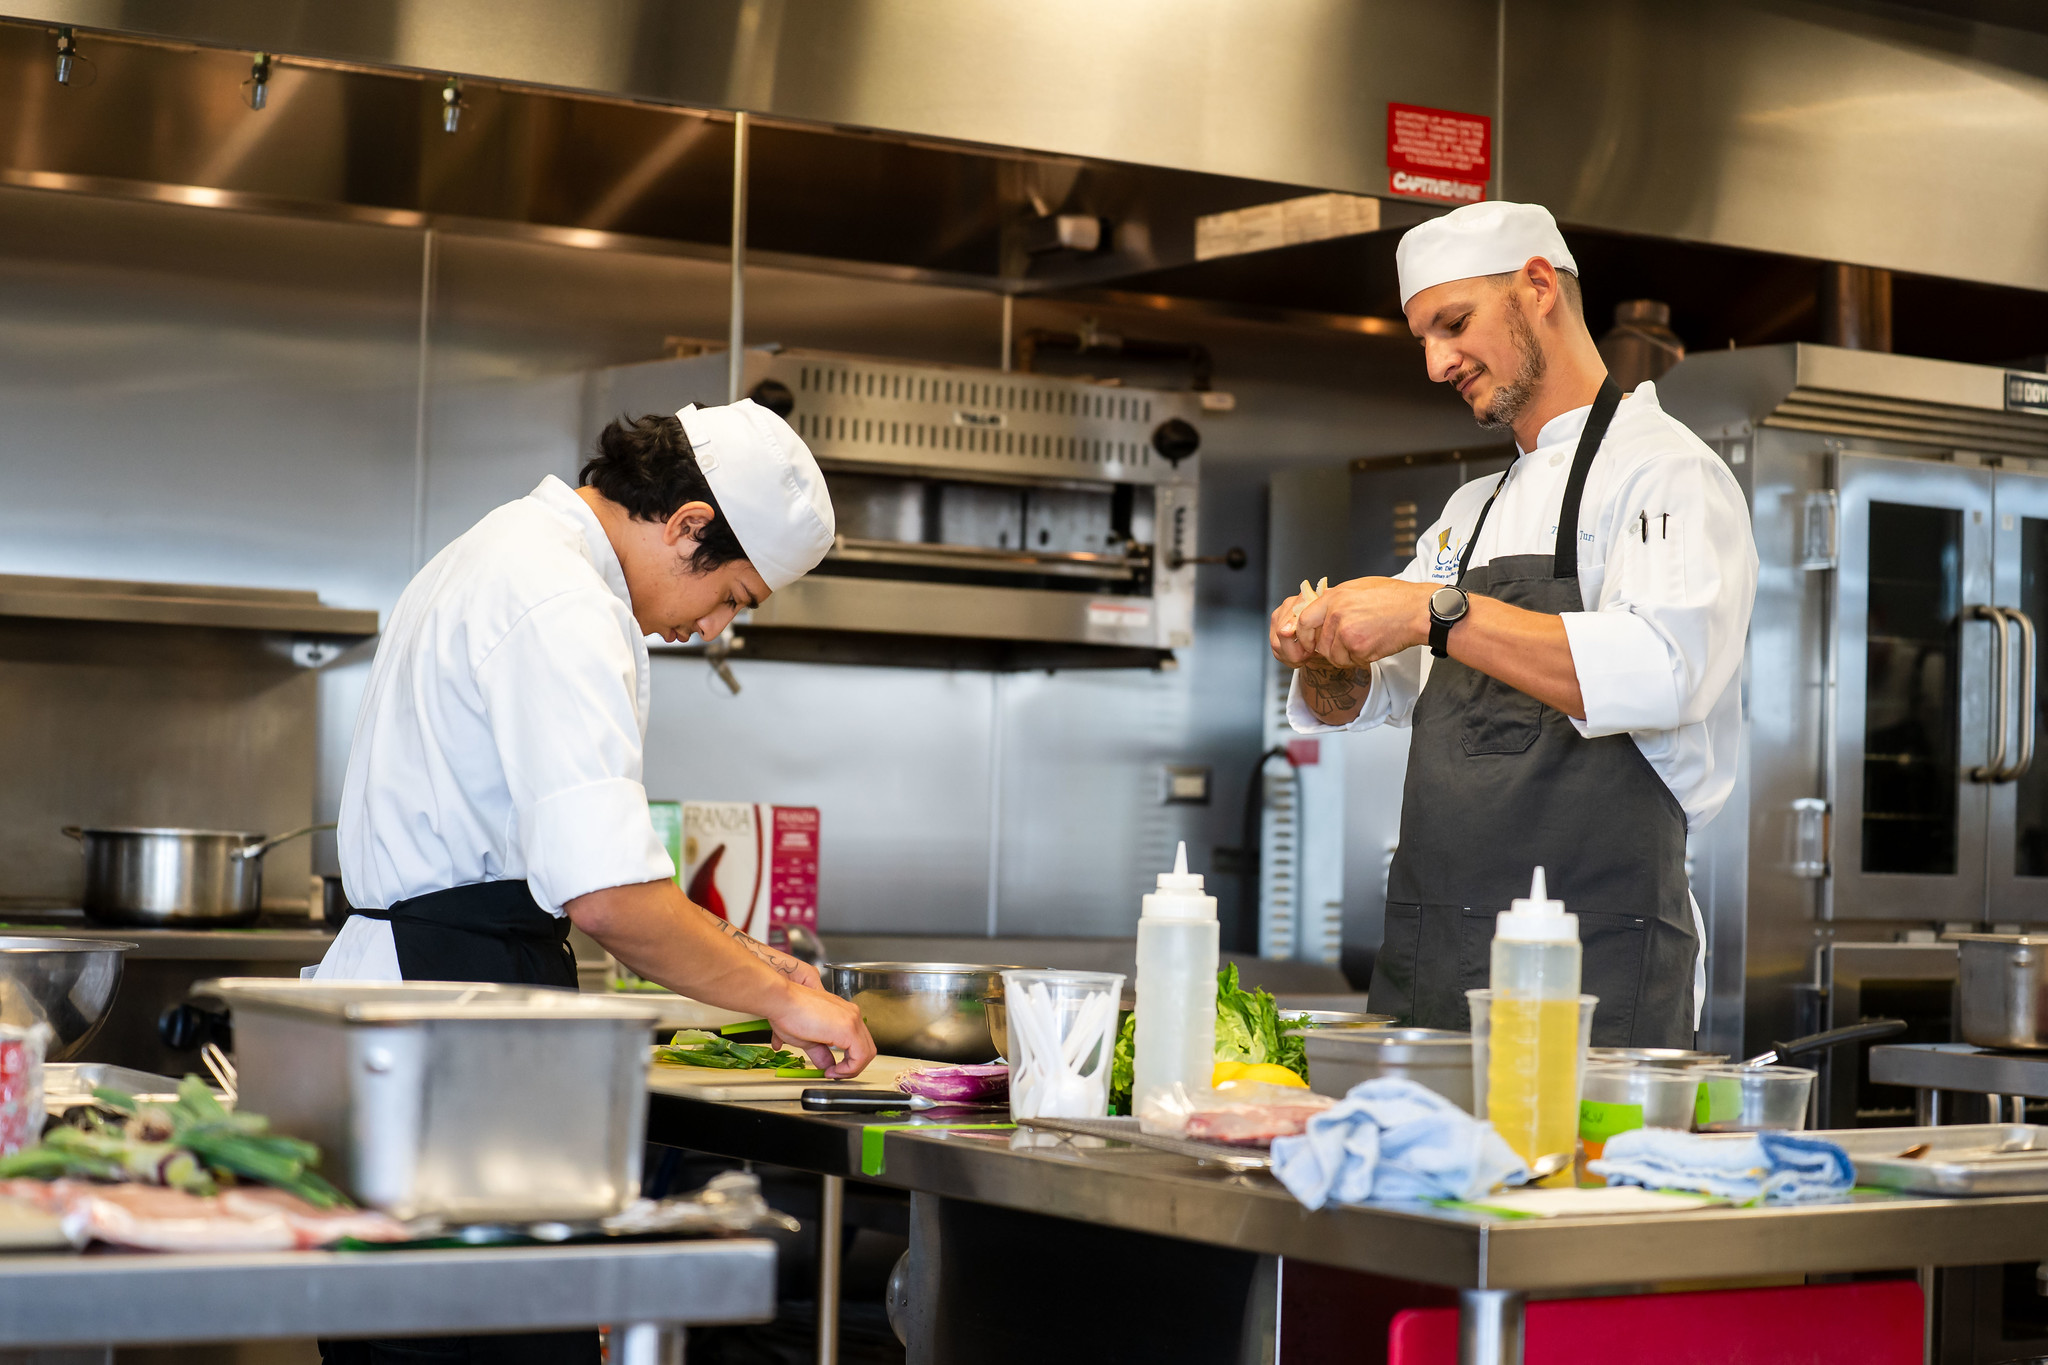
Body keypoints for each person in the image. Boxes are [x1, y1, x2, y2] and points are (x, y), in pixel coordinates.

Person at [313, 398, 874, 1365]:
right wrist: (786, 1000)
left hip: (429, 1007)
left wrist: (751, 956)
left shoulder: (504, 548)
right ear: (689, 524)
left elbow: (585, 864)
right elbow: (610, 895)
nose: (710, 629)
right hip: (458, 1025)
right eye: (733, 597)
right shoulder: (562, 596)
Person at [1270, 201, 1757, 1048]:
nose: (1435, 363)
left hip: (1594, 965)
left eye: (1453, 324)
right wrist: (1325, 652)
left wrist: (1432, 609)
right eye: (1422, 337)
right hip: (1435, 959)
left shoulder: (1667, 472)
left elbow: (1664, 669)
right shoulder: (1469, 514)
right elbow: (1373, 697)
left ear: (1538, 287)